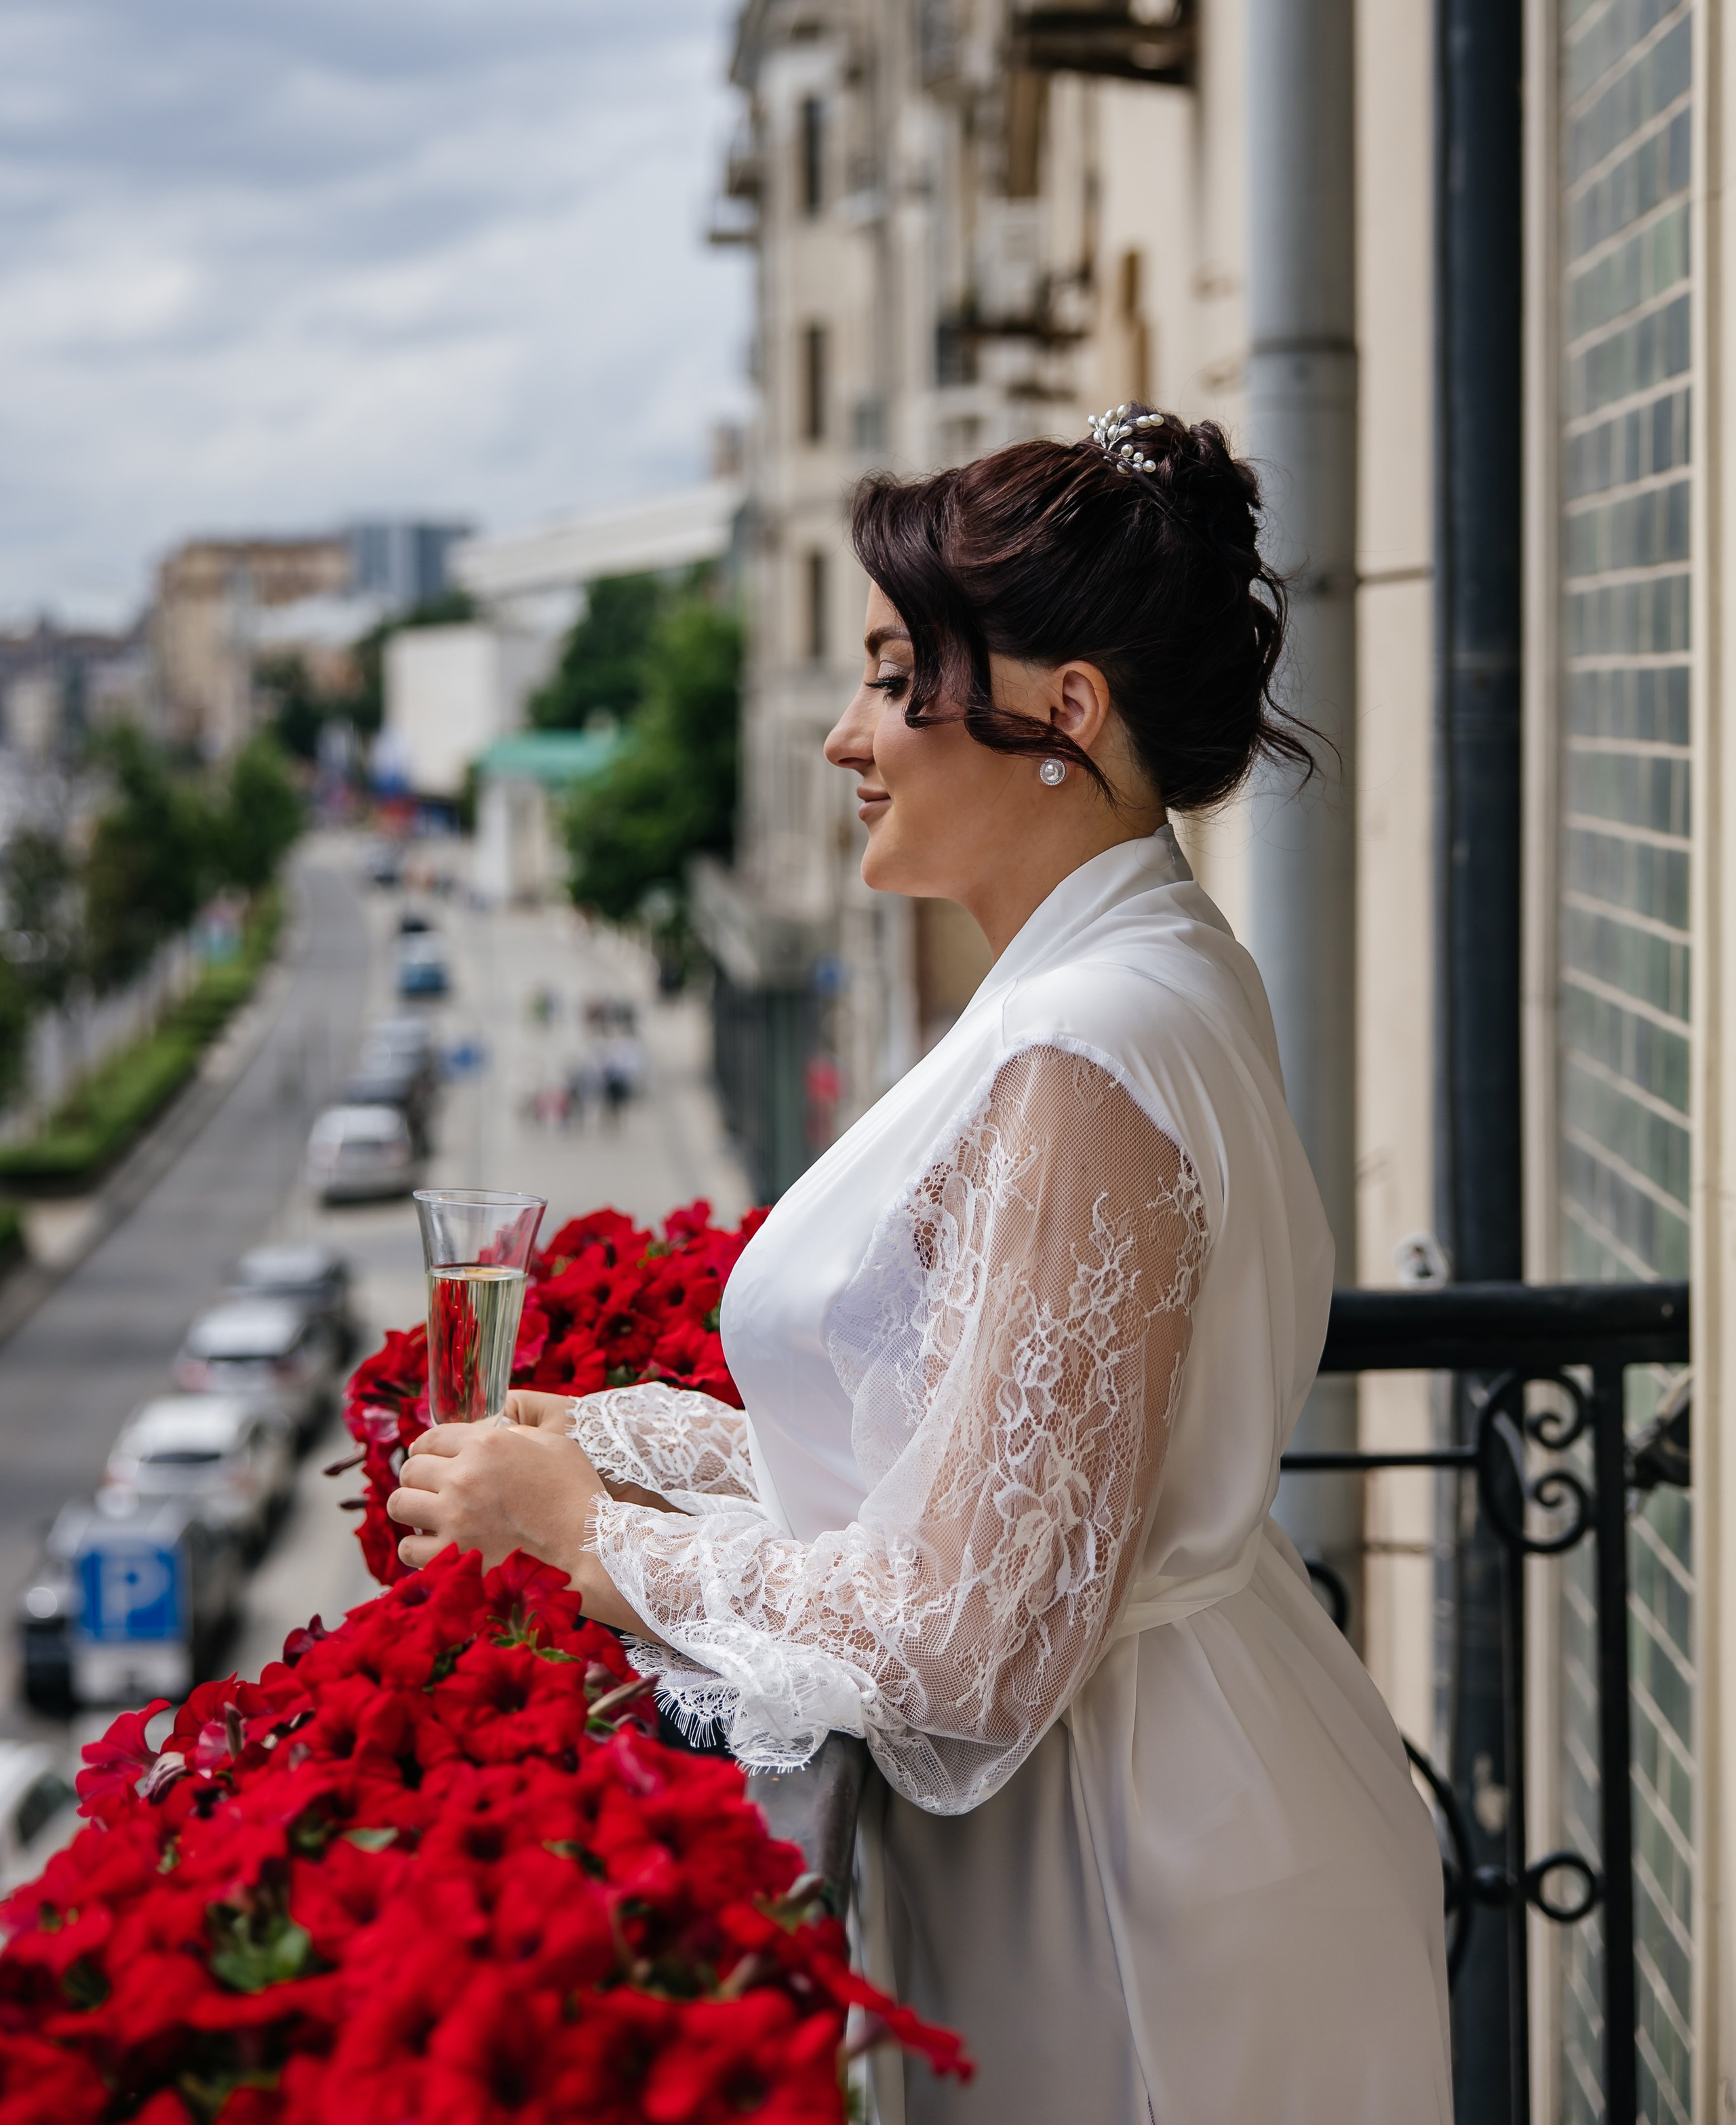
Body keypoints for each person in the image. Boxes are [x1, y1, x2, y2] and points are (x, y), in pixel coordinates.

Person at [389, 408, 1454, 2124]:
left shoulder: (1090, 1039)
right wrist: (620, 1438)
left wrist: (582, 1537)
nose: (841, 737)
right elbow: (973, 1467)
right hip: (1151, 1791)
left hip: (1130, 1888)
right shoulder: (1125, 969)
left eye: (893, 678)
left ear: (1066, 712)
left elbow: (962, 1632)